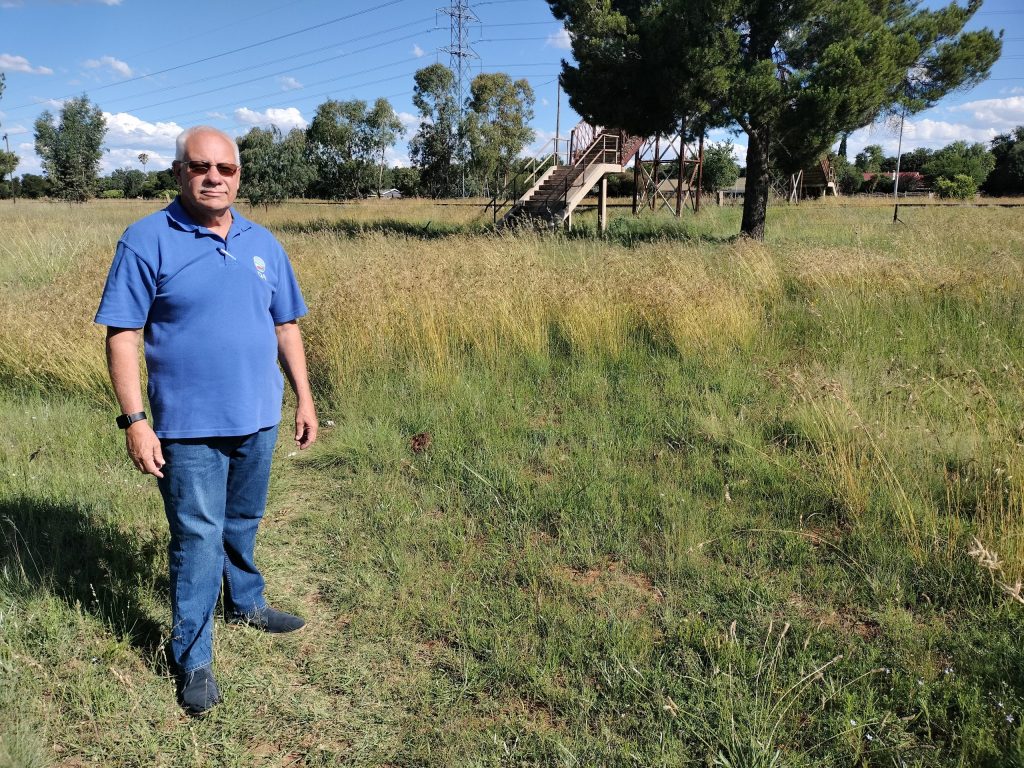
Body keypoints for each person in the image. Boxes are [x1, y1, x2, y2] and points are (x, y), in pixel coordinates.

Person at [95, 125, 318, 716]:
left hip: (258, 415)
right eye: (200, 167)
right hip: (187, 427)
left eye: (226, 168)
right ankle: (192, 656)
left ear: (239, 176)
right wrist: (136, 421)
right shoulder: (146, 240)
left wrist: (304, 398)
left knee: (243, 519)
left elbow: (285, 326)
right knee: (196, 538)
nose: (214, 177)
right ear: (179, 173)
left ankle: (245, 601)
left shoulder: (262, 242)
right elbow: (123, 335)